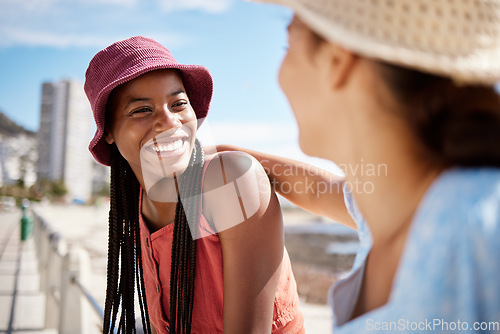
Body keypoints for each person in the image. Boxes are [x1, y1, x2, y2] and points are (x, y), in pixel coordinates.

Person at [223, 0, 500, 332]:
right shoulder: (403, 206)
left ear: (336, 60)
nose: (279, 75)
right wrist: (221, 155)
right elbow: (316, 188)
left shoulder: (477, 231)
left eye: (288, 45)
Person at [84, 36, 304, 334]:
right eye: (141, 110)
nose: (169, 121)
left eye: (178, 104)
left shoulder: (227, 180)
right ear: (108, 131)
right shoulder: (133, 204)